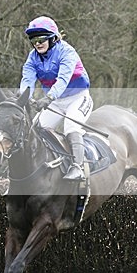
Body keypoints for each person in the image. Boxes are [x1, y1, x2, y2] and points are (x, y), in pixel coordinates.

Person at [19, 15, 93, 181]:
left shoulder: (67, 52)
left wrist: (48, 98)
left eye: (41, 39)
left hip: (78, 98)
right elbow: (27, 80)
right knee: (36, 128)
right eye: (33, 40)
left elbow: (63, 80)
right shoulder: (32, 57)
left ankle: (78, 167)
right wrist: (25, 98)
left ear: (53, 38)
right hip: (57, 102)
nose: (37, 44)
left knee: (71, 127)